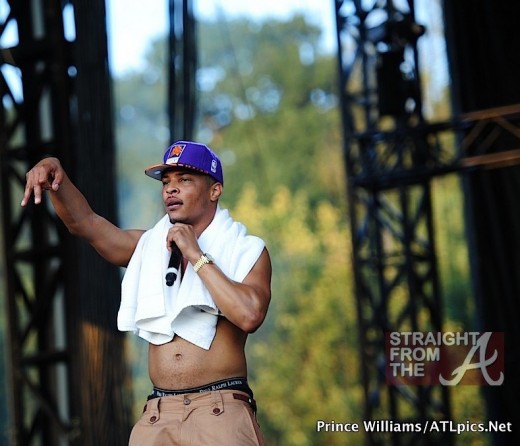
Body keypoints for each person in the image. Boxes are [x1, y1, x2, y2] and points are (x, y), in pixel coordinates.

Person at [21, 141, 272, 446]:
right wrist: (55, 175)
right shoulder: (150, 246)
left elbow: (249, 315)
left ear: (214, 190)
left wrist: (196, 255)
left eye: (184, 180)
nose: (171, 189)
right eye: (166, 182)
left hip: (219, 410)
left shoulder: (246, 249)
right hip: (158, 414)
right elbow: (86, 224)